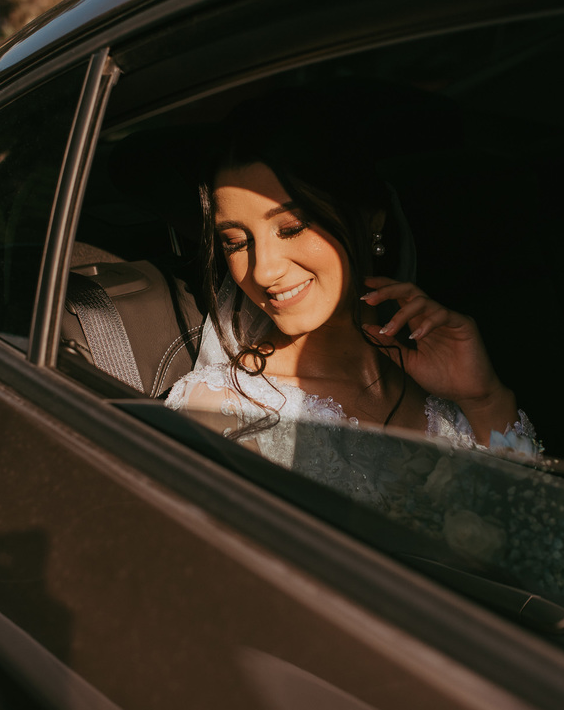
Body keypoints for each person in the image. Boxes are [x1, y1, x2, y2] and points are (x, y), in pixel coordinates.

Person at [164, 87, 540, 494]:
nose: (265, 270)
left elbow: (541, 540)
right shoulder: (222, 410)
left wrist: (485, 400)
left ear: (371, 220)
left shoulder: (449, 392)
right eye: (237, 242)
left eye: (291, 228)